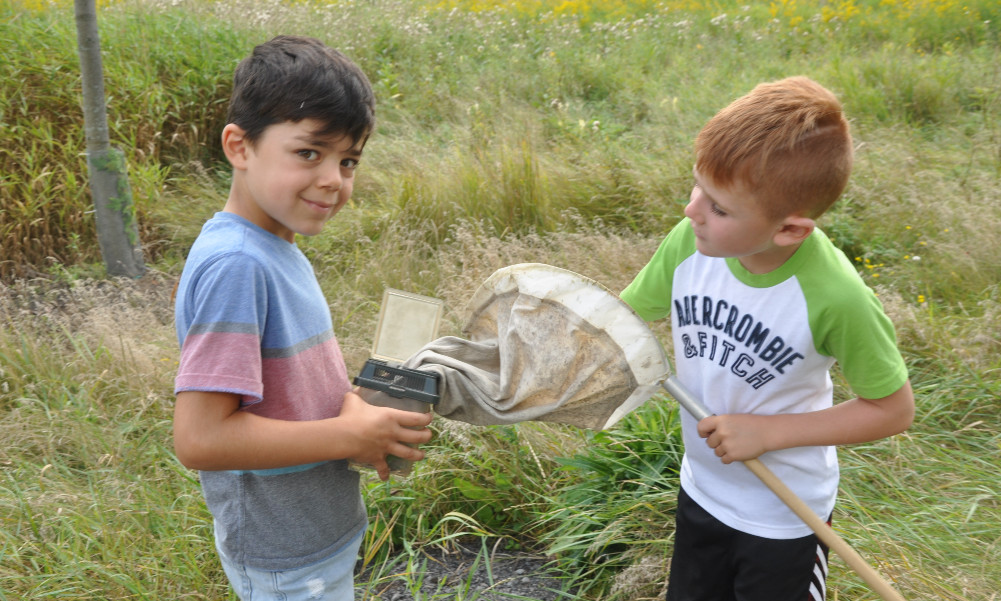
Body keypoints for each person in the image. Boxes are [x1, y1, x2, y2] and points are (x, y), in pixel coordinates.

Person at [619, 76, 915, 601]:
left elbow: (892, 410)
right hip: (702, 491)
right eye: (698, 189)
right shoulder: (689, 244)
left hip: (784, 517)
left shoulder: (835, 296)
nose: (692, 212)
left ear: (790, 231)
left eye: (719, 208)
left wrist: (767, 433)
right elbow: (619, 323)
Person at [172, 35, 433, 600]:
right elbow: (200, 438)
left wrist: (353, 410)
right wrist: (345, 434)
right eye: (309, 153)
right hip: (283, 555)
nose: (333, 180)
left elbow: (284, 387)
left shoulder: (274, 245)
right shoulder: (238, 265)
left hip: (312, 534)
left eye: (348, 161)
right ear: (239, 147)